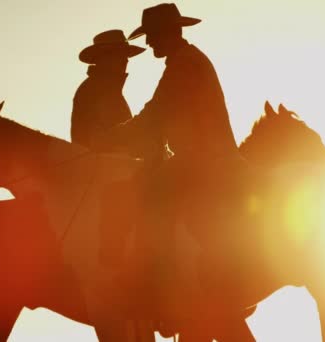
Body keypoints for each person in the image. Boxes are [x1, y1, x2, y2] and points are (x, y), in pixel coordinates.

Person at [93, 3, 254, 340]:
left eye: (152, 36)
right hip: (208, 158)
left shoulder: (183, 66)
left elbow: (154, 116)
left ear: (168, 33)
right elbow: (161, 119)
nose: (150, 43)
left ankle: (156, 282)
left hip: (204, 160)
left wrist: (110, 138)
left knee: (145, 195)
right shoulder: (187, 61)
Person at [70, 29, 144, 152]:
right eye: (119, 54)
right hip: (104, 165)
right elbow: (109, 136)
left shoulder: (103, 87)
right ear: (103, 58)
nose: (126, 60)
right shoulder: (97, 89)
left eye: (126, 55)